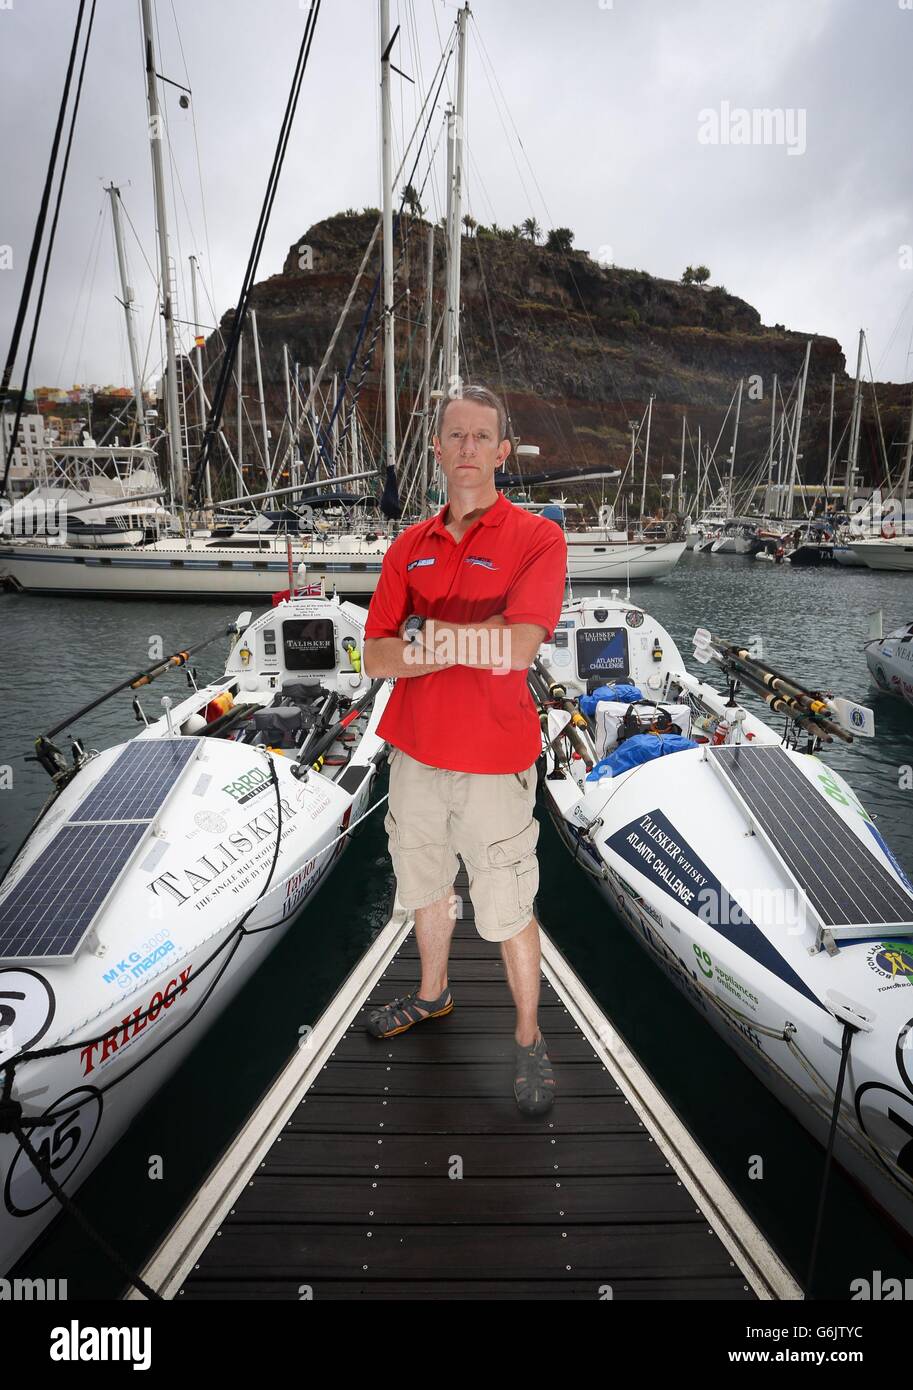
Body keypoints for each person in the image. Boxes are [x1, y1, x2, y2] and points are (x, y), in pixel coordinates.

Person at [362, 384, 567, 1115]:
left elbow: (518, 648)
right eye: (456, 436)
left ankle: (527, 1037)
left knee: (508, 903)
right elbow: (375, 660)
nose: (469, 448)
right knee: (424, 888)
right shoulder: (406, 546)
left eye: (483, 437)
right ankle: (431, 994)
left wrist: (423, 636)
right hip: (413, 755)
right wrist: (453, 644)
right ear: (438, 449)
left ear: (502, 452)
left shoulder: (537, 538)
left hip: (493, 762)